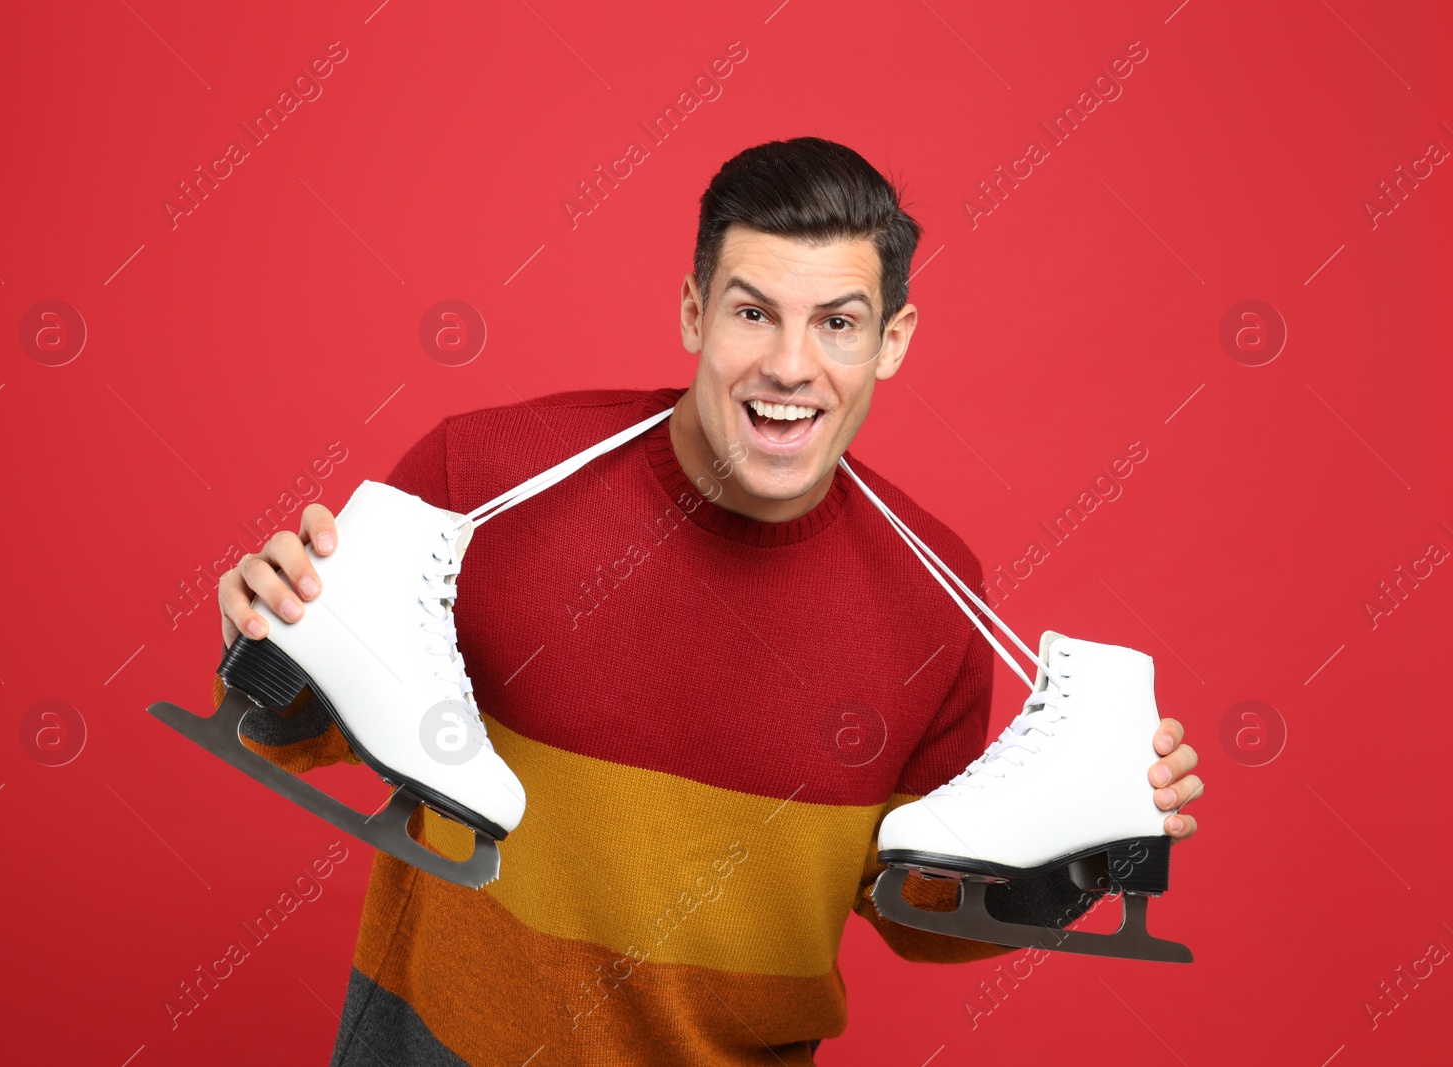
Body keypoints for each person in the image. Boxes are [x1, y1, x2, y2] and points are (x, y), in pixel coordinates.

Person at [213, 136, 1203, 1065]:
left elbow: (917, 909)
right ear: (694, 312)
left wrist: (1087, 855)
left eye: (838, 323)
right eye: (751, 311)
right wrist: (270, 633)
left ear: (891, 341)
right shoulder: (479, 474)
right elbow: (302, 731)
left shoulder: (933, 596)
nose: (788, 365)